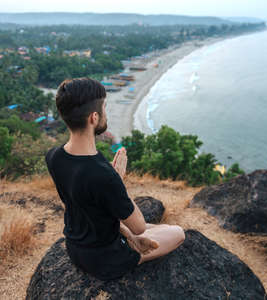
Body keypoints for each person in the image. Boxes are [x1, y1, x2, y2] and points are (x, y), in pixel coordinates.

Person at [45, 77, 185, 281]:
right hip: (107, 260)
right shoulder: (103, 174)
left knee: (160, 228)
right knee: (177, 233)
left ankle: (130, 240)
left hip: (75, 248)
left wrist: (112, 183)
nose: (105, 113)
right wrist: (118, 183)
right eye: (104, 108)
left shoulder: (54, 156)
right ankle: (131, 246)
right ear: (94, 118)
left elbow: (83, 203)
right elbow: (138, 226)